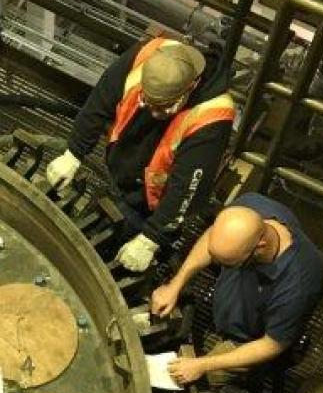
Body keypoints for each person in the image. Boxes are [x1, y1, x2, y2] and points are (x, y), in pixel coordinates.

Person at [46, 38, 235, 274]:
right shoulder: (143, 56)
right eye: (148, 103)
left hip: (151, 205)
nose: (155, 113)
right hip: (121, 173)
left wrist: (151, 238)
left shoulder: (212, 116)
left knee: (115, 264)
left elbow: (186, 187)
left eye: (165, 107)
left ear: (192, 86)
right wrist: (73, 153)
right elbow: (100, 101)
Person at [149, 192, 323, 387]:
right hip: (231, 302)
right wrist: (175, 285)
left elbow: (273, 344)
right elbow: (212, 237)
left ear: (260, 247)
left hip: (248, 341)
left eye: (231, 264)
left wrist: (202, 365)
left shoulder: (299, 283)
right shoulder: (249, 206)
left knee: (192, 385)